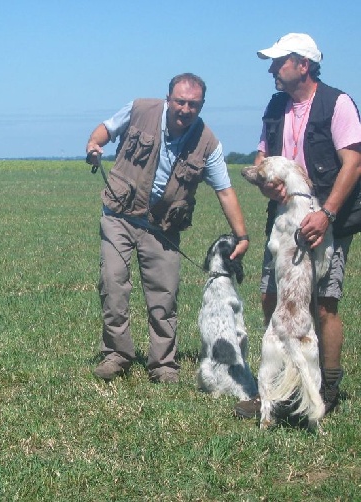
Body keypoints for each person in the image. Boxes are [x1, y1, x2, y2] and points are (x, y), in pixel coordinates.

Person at [86, 73, 250, 383]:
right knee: (112, 284)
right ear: (168, 99)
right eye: (180, 102)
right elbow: (106, 129)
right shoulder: (139, 109)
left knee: (164, 295)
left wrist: (241, 234)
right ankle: (117, 354)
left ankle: (163, 364)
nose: (186, 109)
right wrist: (94, 143)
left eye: (194, 105)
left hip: (162, 227)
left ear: (201, 106)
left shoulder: (208, 142)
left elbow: (225, 190)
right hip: (119, 215)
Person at [234, 34, 361, 419]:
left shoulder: (337, 103)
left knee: (323, 305)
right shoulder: (275, 106)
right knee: (271, 298)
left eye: (279, 62)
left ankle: (328, 388)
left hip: (327, 220)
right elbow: (260, 158)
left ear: (303, 65)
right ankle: (273, 390)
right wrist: (265, 185)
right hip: (284, 220)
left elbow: (353, 163)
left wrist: (327, 215)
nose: (272, 69)